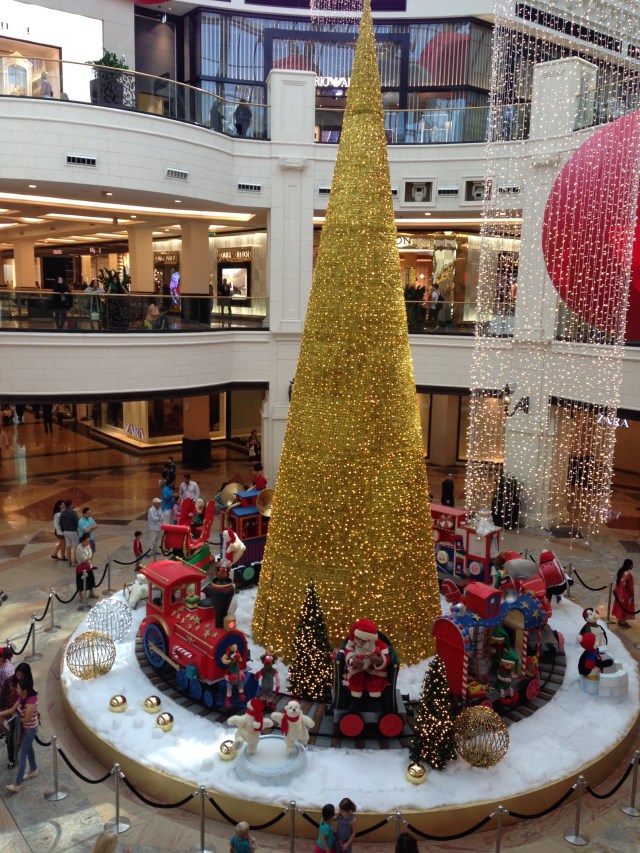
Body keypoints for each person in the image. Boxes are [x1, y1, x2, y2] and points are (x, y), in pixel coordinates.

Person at [3, 669, 39, 793]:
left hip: (30, 730)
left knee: (21, 755)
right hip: (24, 728)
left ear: (24, 690)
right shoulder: (21, 696)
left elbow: (27, 718)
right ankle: (33, 770)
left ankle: (17, 784)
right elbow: (12, 709)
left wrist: (14, 721)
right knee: (29, 750)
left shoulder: (31, 701)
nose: (16, 689)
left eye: (18, 687)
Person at [344, 619, 390, 708]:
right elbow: (347, 653)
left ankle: (376, 701)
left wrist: (380, 660)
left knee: (377, 681)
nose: (361, 643)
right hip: (358, 669)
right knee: (355, 679)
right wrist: (353, 660)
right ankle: (355, 700)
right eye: (359, 640)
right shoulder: (352, 643)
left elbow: (386, 656)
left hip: (374, 669)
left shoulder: (378, 644)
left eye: (365, 641)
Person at [612, 559, 635, 627]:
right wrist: (631, 595)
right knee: (625, 607)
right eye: (632, 565)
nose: (632, 566)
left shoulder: (620, 571)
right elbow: (627, 586)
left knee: (621, 606)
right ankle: (623, 622)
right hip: (625, 594)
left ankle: (620, 620)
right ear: (628, 565)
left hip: (620, 593)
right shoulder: (627, 574)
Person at [76, 531, 97, 601]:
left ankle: (91, 593)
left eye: (89, 541)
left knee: (91, 580)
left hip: (88, 566)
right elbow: (83, 558)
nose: (88, 543)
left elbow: (90, 552)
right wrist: (89, 557)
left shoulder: (87, 545)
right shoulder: (79, 548)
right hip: (81, 567)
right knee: (80, 583)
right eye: (86, 541)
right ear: (82, 541)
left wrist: (89, 557)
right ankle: (81, 598)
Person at [59, 499, 79, 566]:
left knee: (68, 546)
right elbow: (77, 522)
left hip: (65, 531)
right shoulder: (73, 512)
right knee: (77, 545)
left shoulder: (62, 513)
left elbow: (61, 522)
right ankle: (75, 560)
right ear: (71, 504)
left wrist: (63, 530)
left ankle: (69, 561)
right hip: (73, 531)